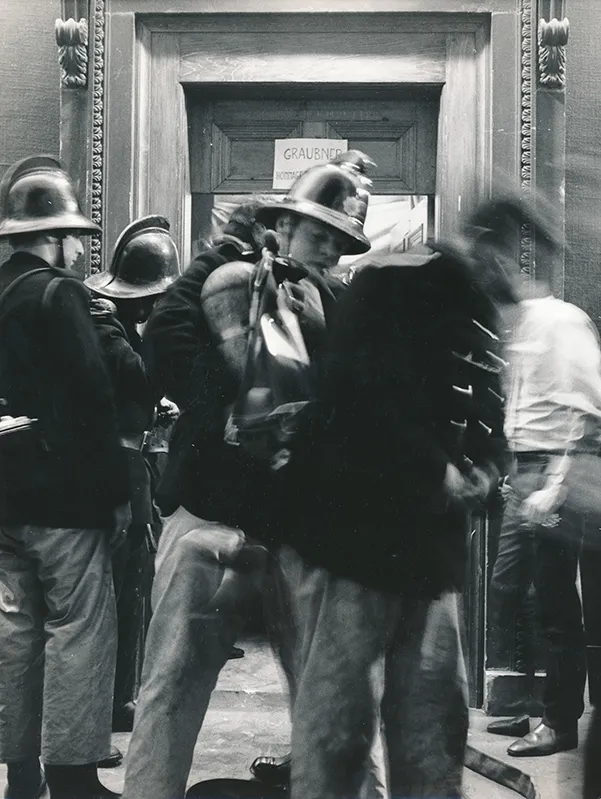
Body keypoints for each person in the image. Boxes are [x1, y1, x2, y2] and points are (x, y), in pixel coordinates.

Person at [121, 152, 374, 799]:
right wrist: (230, 404)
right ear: (281, 226)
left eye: (340, 241)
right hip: (210, 514)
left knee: (327, 699)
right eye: (318, 234)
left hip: (296, 531)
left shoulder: (336, 299)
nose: (328, 249)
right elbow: (164, 346)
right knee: (171, 688)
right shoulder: (226, 277)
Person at [266, 233, 506, 798]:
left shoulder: (478, 306)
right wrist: (437, 469)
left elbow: (488, 407)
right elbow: (363, 400)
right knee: (339, 722)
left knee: (432, 726)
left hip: (431, 555)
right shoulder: (390, 282)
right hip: (357, 542)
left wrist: (490, 471)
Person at [0, 156, 129, 799]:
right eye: (75, 236)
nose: (79, 249)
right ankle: (75, 776)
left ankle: (19, 776)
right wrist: (117, 495)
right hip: (66, 499)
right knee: (77, 629)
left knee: (15, 633)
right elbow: (93, 398)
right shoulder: (62, 293)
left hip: (4, 497)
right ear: (55, 236)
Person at [479, 196, 601, 756]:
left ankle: (560, 722)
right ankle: (527, 706)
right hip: (523, 471)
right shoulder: (515, 323)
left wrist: (555, 483)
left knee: (555, 602)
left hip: (557, 470)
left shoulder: (562, 320)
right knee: (510, 589)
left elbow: (590, 410)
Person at [85, 215, 181, 740]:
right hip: (120, 470)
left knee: (133, 588)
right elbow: (143, 379)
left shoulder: (119, 329)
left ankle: (121, 695)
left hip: (129, 465)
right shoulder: (110, 332)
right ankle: (114, 701)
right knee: (124, 590)